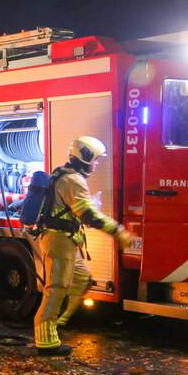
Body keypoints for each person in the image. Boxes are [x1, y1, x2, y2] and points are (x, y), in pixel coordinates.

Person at [34, 136, 134, 356]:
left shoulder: (64, 174)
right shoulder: (74, 181)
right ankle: (46, 340)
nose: (97, 164)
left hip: (65, 240)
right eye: (96, 160)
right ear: (86, 157)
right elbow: (88, 215)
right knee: (56, 289)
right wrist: (117, 231)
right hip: (59, 241)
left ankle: (57, 322)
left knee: (81, 279)